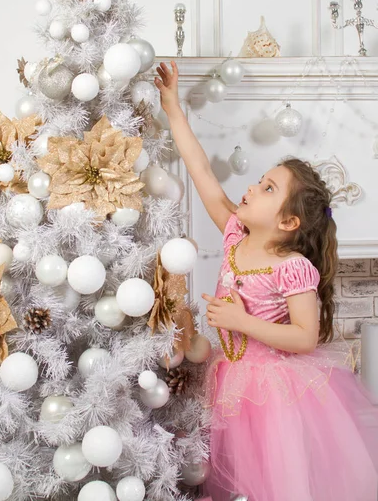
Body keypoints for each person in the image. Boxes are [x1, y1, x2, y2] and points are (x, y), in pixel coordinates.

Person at [154, 60, 378, 501]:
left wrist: (241, 320)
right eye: (260, 181)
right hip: (228, 379)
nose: (253, 188)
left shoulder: (292, 268)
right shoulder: (236, 233)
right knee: (227, 479)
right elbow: (201, 171)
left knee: (274, 480)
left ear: (289, 221)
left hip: (272, 393)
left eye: (268, 188)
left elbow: (305, 337)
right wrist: (173, 109)